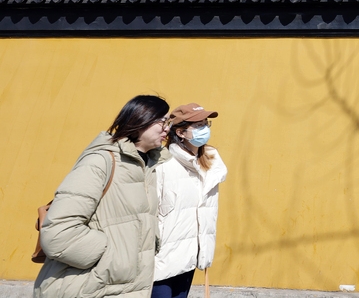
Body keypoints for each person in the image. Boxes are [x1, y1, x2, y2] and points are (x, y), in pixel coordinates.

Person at [34, 95, 173, 298]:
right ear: (141, 119)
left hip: (123, 287)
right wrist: (112, 254)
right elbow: (59, 232)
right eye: (163, 121)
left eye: (169, 123)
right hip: (89, 288)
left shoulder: (147, 166)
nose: (167, 129)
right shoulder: (101, 161)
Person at [152, 103, 227, 298]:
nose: (205, 129)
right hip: (161, 259)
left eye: (205, 124)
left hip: (190, 255)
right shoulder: (162, 163)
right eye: (198, 125)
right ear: (181, 132)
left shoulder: (211, 163)